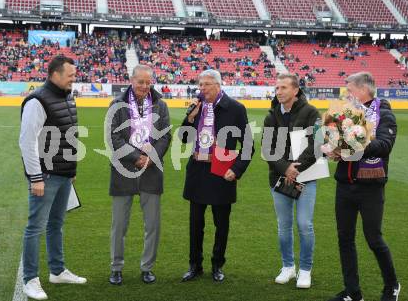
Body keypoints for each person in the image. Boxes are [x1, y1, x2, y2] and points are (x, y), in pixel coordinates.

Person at [327, 72, 400, 301]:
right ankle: (352, 292)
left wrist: (353, 144)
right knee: (345, 239)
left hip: (370, 188)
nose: (346, 95)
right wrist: (335, 150)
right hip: (345, 185)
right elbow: (339, 141)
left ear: (362, 90)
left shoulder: (385, 114)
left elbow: (384, 145)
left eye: (349, 90)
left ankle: (392, 286)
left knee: (374, 239)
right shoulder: (346, 114)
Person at [19, 55, 86, 301]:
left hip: (64, 174)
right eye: (69, 75)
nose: (73, 79)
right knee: (35, 228)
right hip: (45, 177)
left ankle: (57, 271)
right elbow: (27, 142)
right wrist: (35, 178)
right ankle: (30, 279)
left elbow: (69, 136)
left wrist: (72, 170)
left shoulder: (68, 96)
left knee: (56, 225)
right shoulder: (37, 101)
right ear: (54, 74)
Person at [179, 69, 253, 282]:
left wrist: (237, 169)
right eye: (200, 85)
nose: (202, 89)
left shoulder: (236, 109)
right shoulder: (196, 108)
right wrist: (190, 118)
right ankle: (195, 265)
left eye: (207, 85)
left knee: (221, 224)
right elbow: (184, 138)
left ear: (218, 85)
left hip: (222, 172)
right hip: (197, 171)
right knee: (195, 223)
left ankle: (217, 265)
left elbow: (247, 145)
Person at [108, 64, 171, 285]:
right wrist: (136, 157)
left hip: (151, 171)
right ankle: (116, 268)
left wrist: (150, 158)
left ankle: (147, 268)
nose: (144, 86)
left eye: (148, 82)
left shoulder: (160, 105)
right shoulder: (117, 104)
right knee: (119, 225)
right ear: (131, 80)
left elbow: (165, 136)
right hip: (123, 169)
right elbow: (113, 138)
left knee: (152, 224)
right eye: (140, 81)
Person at [262, 73, 320, 289]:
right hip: (279, 177)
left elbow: (316, 144)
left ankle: (305, 270)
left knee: (304, 225)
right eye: (277, 87)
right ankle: (288, 267)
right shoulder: (271, 116)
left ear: (295, 90)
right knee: (283, 227)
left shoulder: (311, 112)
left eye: (284, 87)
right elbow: (267, 149)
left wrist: (296, 169)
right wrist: (285, 168)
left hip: (306, 177)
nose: (279, 91)